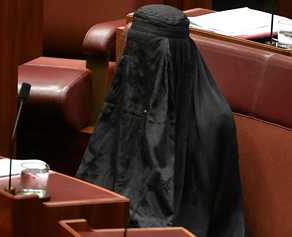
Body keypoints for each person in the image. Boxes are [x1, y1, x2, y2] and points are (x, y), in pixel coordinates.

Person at [76, 4, 246, 237]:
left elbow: (216, 217)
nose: (139, 65)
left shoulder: (212, 121)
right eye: (134, 52)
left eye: (149, 56)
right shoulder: (129, 97)